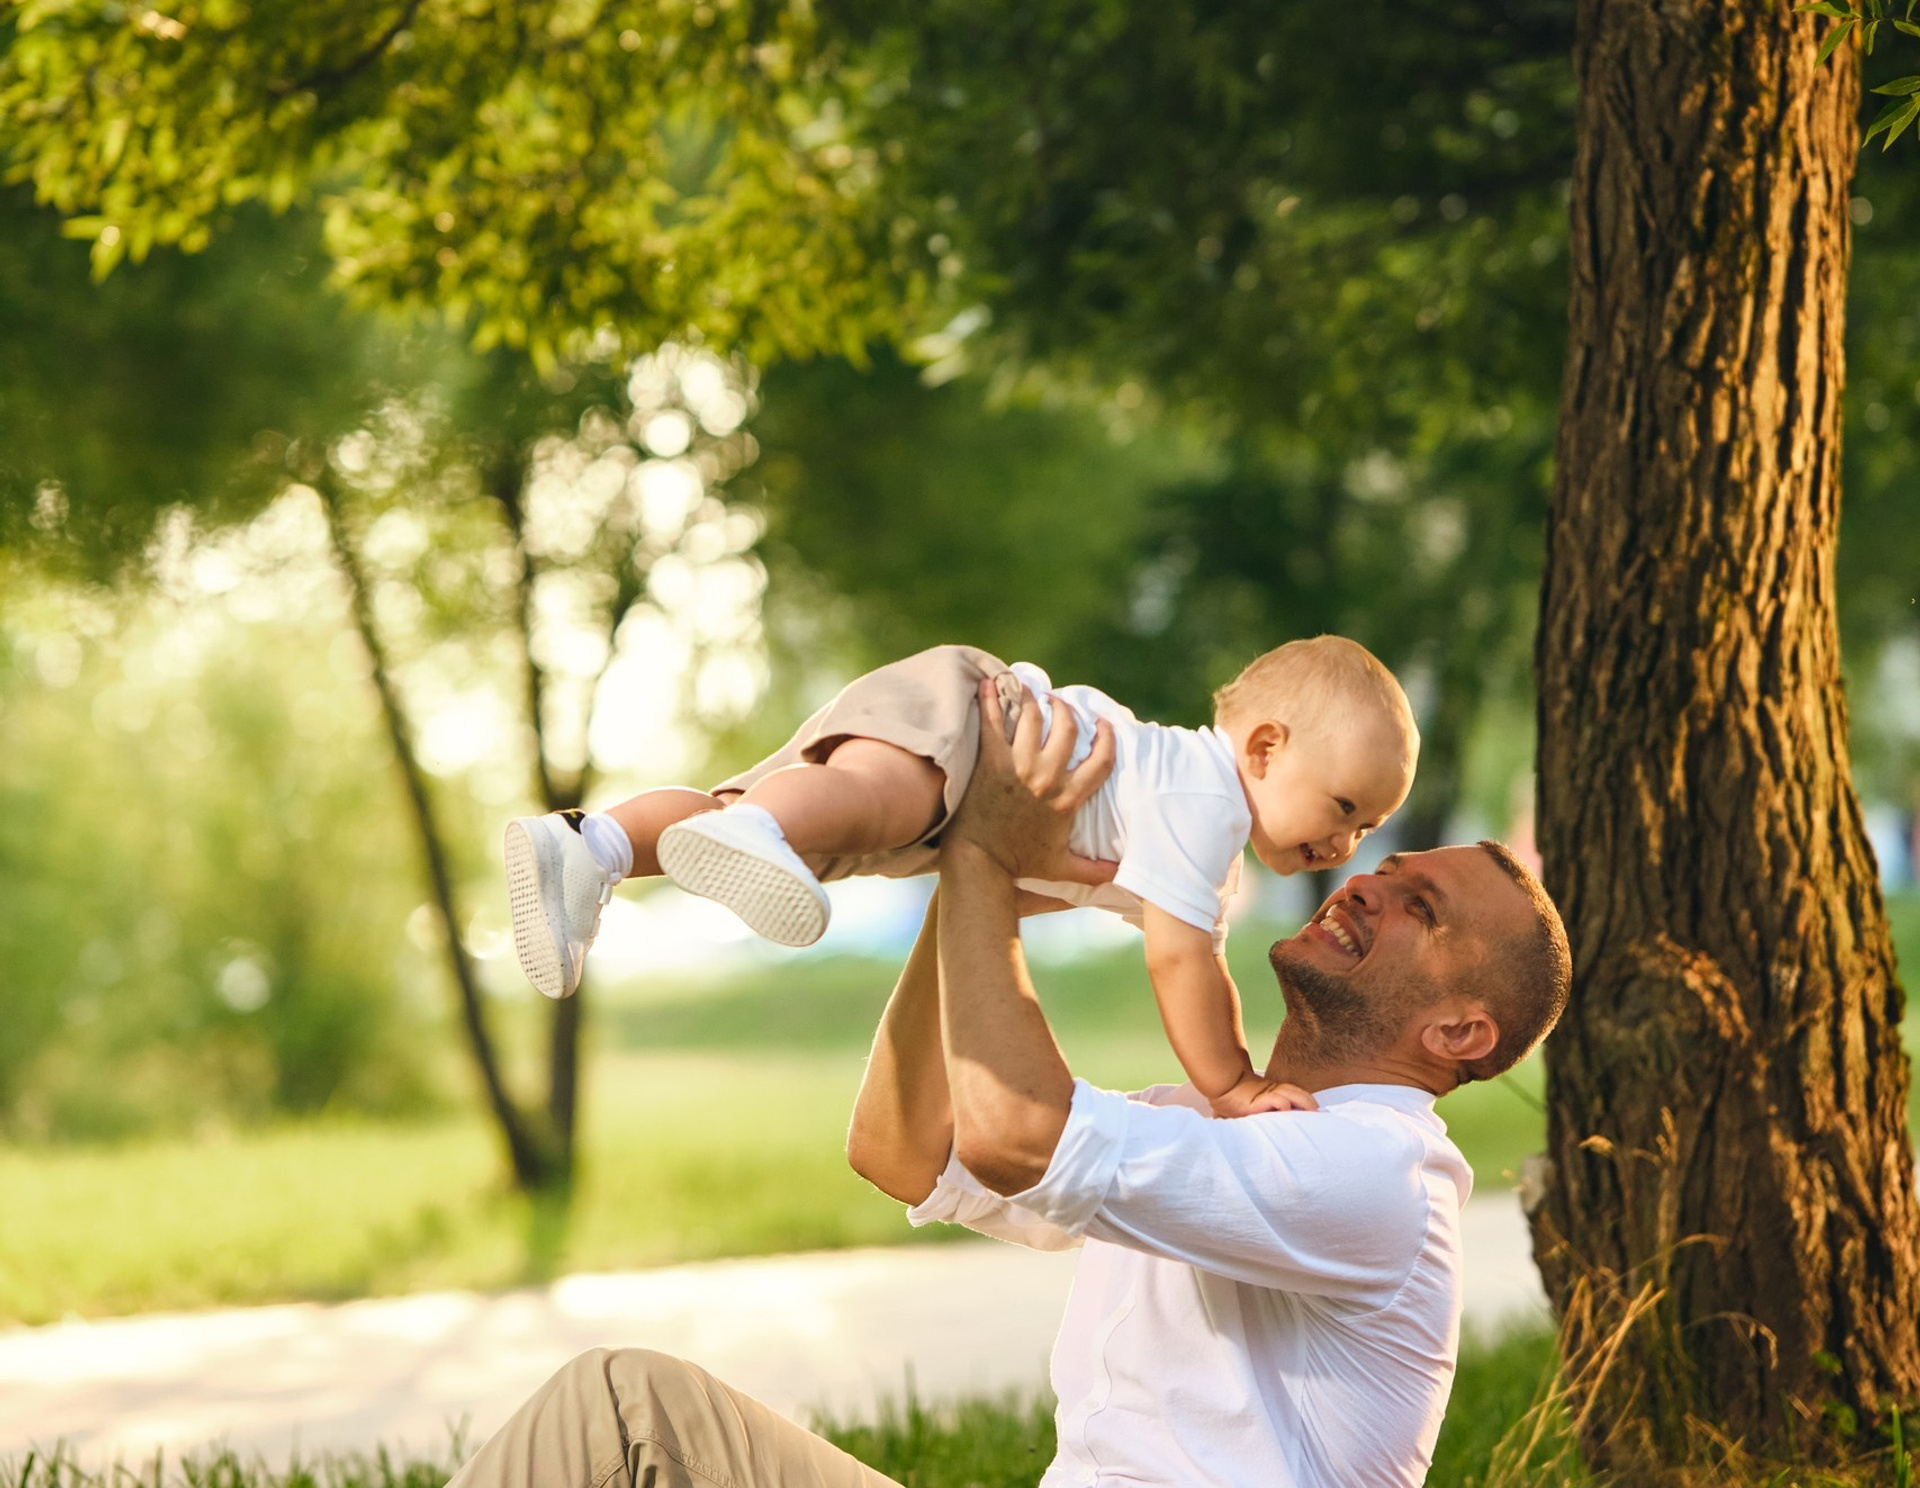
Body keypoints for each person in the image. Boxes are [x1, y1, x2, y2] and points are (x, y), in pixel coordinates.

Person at [452, 678, 1572, 1488]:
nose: (1370, 886)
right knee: (629, 1410)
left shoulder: (1380, 1174)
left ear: (1461, 1029)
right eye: (1383, 866)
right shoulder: (1208, 1128)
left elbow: (1015, 1137)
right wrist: (972, 877)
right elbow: (905, 1148)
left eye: (1420, 910)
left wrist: (989, 851)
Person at [505, 635, 1418, 1116]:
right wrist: (1231, 1085)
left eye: (1369, 827)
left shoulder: (1186, 813)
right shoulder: (1210, 805)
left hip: (959, 772)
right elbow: (1186, 962)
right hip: (982, 731)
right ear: (1264, 748)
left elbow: (1072, 893)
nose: (1349, 847)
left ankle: (590, 851)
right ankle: (756, 828)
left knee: (799, 806)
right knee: (855, 799)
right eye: (1344, 809)